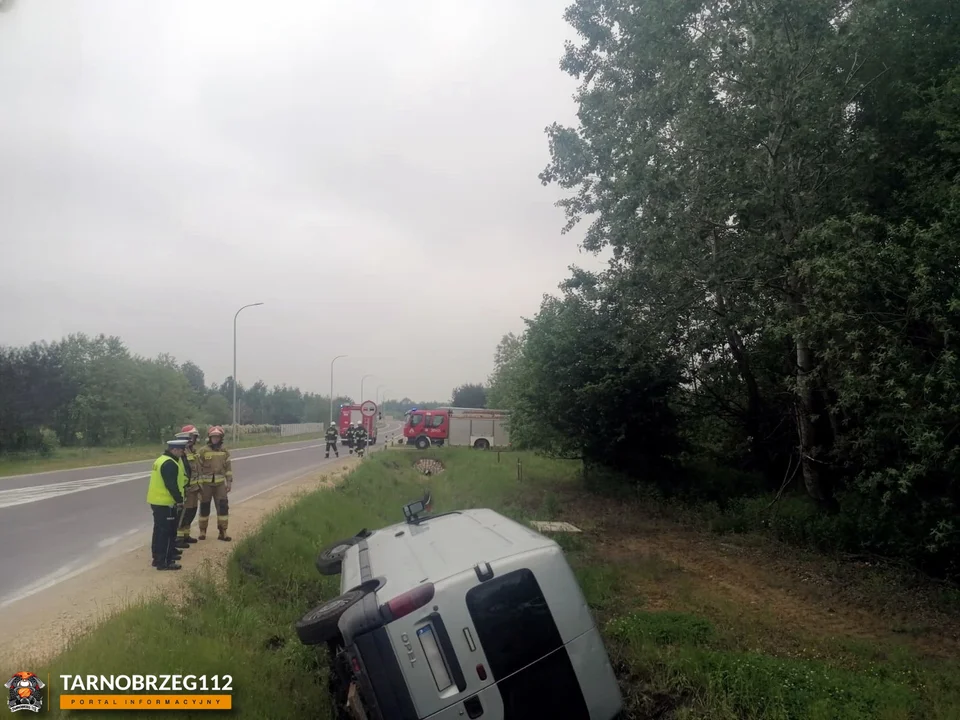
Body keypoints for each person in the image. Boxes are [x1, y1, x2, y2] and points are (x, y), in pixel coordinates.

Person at [146, 438, 188, 570]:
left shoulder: (161, 459)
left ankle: (157, 558)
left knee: (159, 532)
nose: (183, 453)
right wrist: (179, 499)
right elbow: (171, 485)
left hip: (157, 501)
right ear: (174, 450)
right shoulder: (170, 463)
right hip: (166, 503)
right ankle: (165, 561)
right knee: (168, 533)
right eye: (181, 450)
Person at [196, 425, 234, 541]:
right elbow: (197, 469)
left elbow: (228, 468)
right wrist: (199, 485)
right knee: (204, 507)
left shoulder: (225, 452)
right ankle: (203, 531)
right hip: (206, 486)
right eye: (213, 437)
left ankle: (223, 532)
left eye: (217, 437)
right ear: (209, 438)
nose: (215, 439)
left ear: (221, 438)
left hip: (220, 485)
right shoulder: (203, 451)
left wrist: (229, 482)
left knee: (223, 508)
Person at [175, 425, 202, 548]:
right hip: (186, 489)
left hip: (194, 488)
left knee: (191, 512)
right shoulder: (181, 452)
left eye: (195, 436)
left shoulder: (192, 450)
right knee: (183, 513)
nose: (194, 439)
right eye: (192, 436)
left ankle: (186, 534)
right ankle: (179, 538)